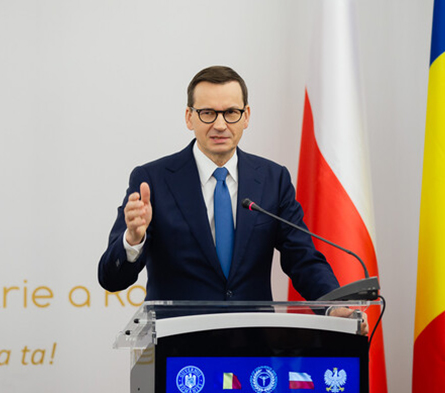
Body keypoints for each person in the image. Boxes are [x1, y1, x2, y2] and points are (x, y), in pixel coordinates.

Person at [98, 65, 340, 302]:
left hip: (251, 329)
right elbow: (111, 279)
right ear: (189, 117)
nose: (220, 125)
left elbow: (302, 259)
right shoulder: (152, 181)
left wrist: (336, 305)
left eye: (231, 112)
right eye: (207, 113)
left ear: (246, 116)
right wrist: (132, 240)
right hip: (180, 329)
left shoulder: (273, 179)